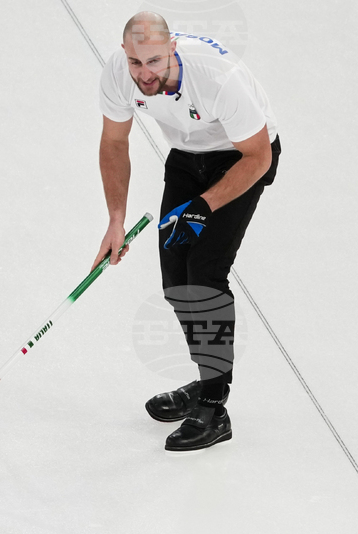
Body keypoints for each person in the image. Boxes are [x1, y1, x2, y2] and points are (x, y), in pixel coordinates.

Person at [93, 11, 280, 451]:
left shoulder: (217, 78)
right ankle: (206, 381)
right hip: (186, 156)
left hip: (239, 160)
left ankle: (215, 407)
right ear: (125, 54)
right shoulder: (119, 74)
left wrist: (203, 206)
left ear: (172, 48)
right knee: (177, 280)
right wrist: (115, 221)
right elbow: (114, 143)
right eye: (137, 63)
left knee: (205, 273)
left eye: (155, 62)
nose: (145, 73)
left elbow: (259, 157)